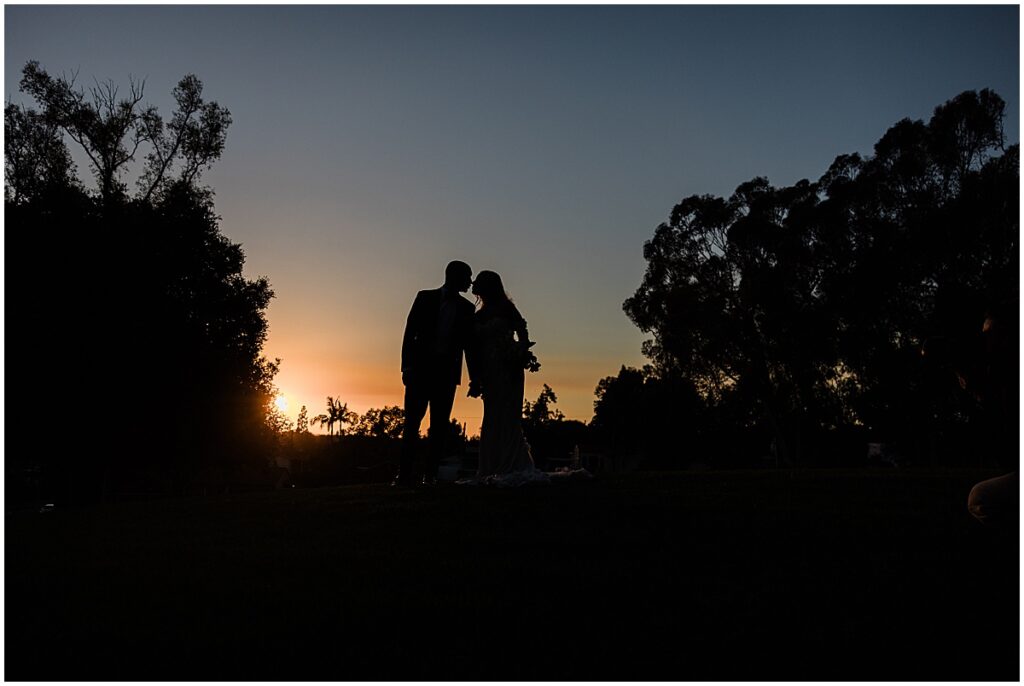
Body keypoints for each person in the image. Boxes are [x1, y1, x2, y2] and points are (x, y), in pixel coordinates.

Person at [459, 271, 549, 487]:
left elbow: (522, 330)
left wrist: (520, 351)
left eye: (478, 281)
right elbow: (472, 347)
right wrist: (476, 377)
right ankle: (491, 466)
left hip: (508, 369)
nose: (473, 284)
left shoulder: (506, 308)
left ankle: (511, 464)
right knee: (492, 416)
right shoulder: (477, 315)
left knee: (509, 415)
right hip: (489, 370)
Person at [396, 260, 478, 488]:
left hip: (446, 376)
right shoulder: (425, 298)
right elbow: (409, 333)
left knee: (439, 427)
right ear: (454, 276)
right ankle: (404, 476)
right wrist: (407, 367)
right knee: (411, 424)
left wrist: (474, 378)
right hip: (420, 372)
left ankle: (429, 475)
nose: (470, 282)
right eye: (467, 277)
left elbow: (469, 347)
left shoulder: (467, 309)